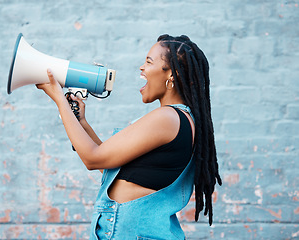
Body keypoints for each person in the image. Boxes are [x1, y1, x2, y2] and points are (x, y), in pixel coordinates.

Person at [36, 34, 222, 240]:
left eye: (149, 62)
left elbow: (93, 158)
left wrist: (58, 99)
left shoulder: (167, 117)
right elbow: (109, 164)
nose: (142, 68)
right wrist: (81, 123)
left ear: (172, 74)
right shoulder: (178, 118)